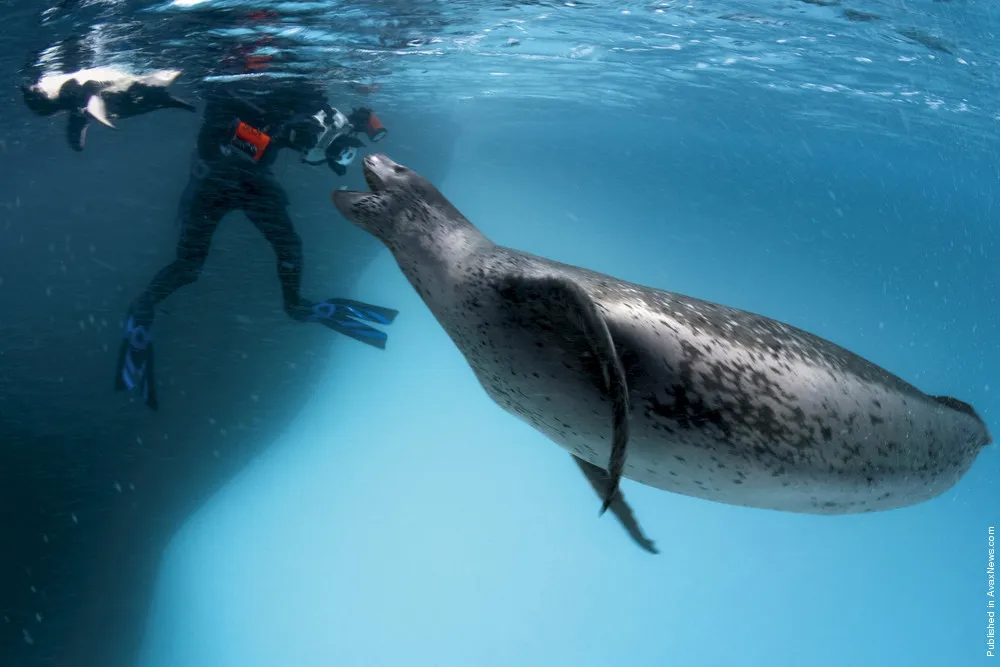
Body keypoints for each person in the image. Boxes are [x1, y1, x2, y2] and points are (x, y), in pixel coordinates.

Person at [114, 76, 396, 410]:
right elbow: (225, 123)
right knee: (192, 266)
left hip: (248, 182)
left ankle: (295, 305)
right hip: (215, 179)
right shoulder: (237, 91)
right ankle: (144, 306)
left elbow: (309, 145)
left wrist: (345, 130)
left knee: (284, 247)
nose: (316, 101)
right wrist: (277, 134)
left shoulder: (297, 101)